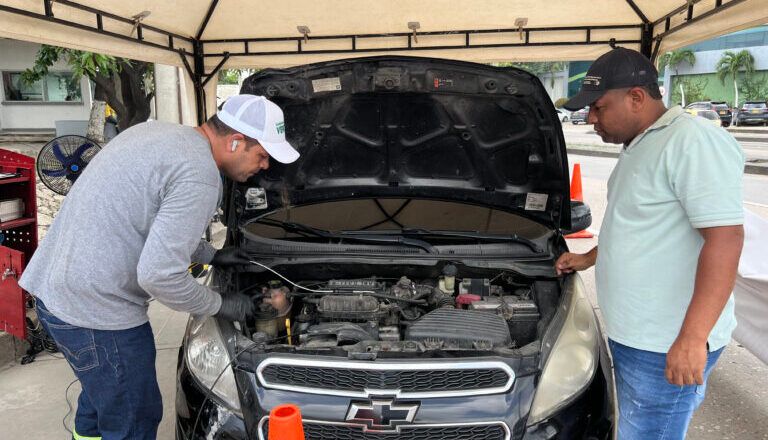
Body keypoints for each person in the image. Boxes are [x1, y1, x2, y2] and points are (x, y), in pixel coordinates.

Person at [19, 94, 300, 440]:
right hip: (98, 316)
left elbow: (148, 220)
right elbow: (158, 276)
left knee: (100, 401)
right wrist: (224, 304)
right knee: (134, 419)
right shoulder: (200, 175)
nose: (266, 166)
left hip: (56, 295)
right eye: (262, 154)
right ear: (235, 141)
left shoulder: (156, 136)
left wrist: (212, 255)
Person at [558, 48, 744, 439]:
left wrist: (692, 339)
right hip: (638, 336)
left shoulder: (693, 141)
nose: (590, 118)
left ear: (636, 98)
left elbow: (725, 240)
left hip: (664, 343)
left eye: (598, 107)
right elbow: (640, 223)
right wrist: (589, 258)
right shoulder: (643, 142)